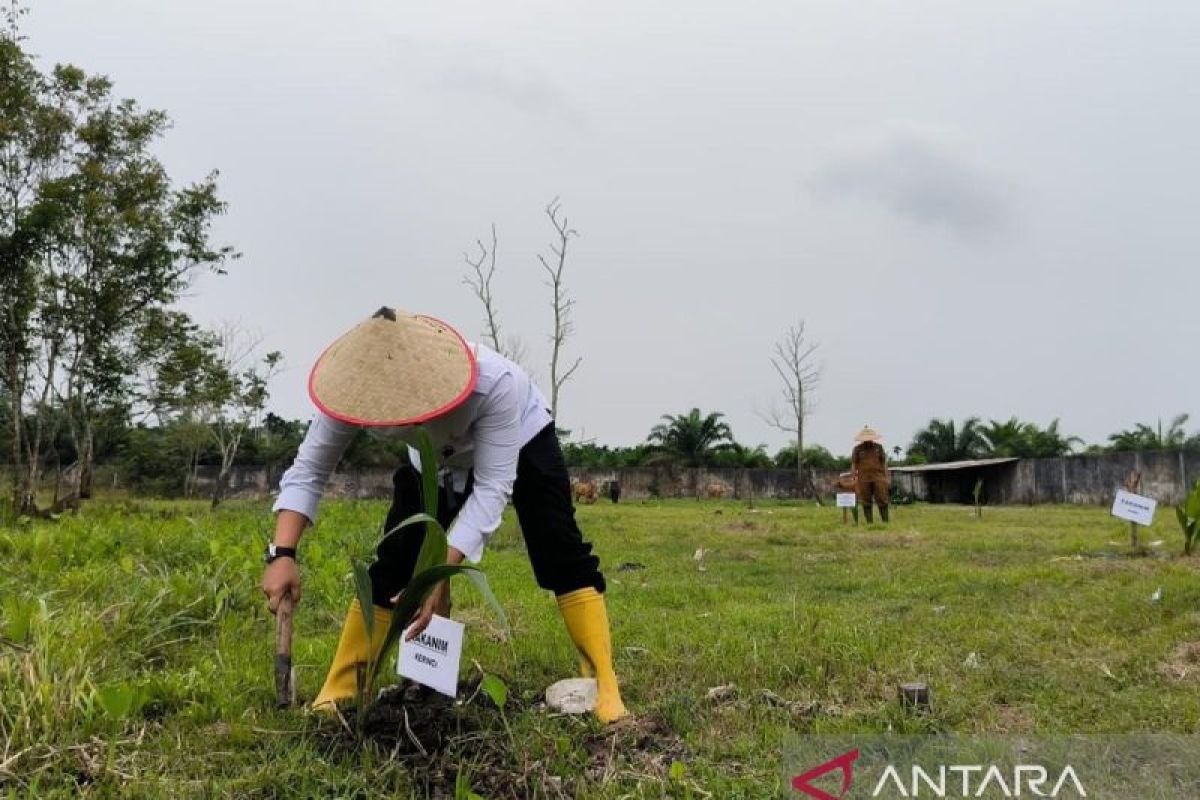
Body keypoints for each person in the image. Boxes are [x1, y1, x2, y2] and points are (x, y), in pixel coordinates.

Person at [260, 307, 627, 724]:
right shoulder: (349, 389)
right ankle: (343, 688)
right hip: (432, 461)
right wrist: (282, 553)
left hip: (521, 442)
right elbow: (309, 470)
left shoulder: (496, 386)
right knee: (396, 559)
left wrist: (439, 572)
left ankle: (602, 678)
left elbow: (491, 489)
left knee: (557, 546)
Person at [851, 425, 890, 523]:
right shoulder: (857, 449)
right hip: (863, 479)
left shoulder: (879, 447)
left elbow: (884, 462)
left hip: (879, 477)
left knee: (882, 499)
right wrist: (854, 477)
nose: (868, 440)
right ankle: (869, 523)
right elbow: (854, 463)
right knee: (866, 501)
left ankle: (885, 521)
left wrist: (886, 477)